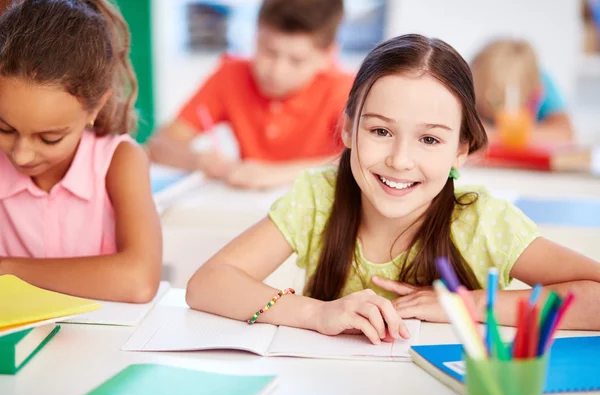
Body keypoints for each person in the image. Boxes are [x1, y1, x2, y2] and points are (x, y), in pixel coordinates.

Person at [185, 34, 600, 344]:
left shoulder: (481, 220)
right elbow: (209, 282)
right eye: (381, 130)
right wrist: (318, 314)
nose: (400, 160)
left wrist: (467, 304)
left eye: (430, 140)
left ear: (462, 150)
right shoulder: (319, 198)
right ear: (348, 129)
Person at [0, 0, 162, 303]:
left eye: (49, 138)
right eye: (4, 129)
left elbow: (138, 280)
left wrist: (8, 270)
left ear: (96, 106)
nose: (21, 155)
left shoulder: (119, 161)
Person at [148, 0, 353, 190]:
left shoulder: (345, 90)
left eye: (296, 60)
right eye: (268, 51)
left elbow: (362, 160)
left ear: (328, 55)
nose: (277, 71)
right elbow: (159, 145)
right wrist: (202, 161)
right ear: (255, 35)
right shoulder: (230, 76)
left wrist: (276, 174)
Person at [471, 38, 574, 144]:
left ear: (536, 95)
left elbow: (565, 132)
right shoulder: (475, 81)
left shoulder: (540, 82)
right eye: (490, 117)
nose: (497, 121)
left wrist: (504, 135)